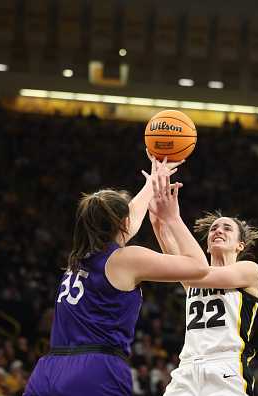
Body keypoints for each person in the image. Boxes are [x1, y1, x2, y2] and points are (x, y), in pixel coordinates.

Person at [24, 156, 210, 396]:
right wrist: (171, 218)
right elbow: (199, 267)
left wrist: (152, 182)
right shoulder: (125, 260)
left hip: (47, 370)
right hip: (94, 371)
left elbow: (126, 223)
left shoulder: (79, 256)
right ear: (121, 223)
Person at [150, 207, 258, 396]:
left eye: (227, 228)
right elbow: (175, 257)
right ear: (207, 247)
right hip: (187, 367)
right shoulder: (192, 280)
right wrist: (158, 220)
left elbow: (187, 269)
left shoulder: (249, 271)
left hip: (226, 366)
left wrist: (174, 219)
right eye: (213, 229)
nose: (218, 231)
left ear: (240, 245)